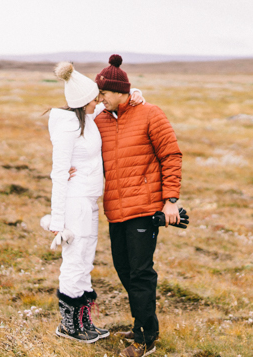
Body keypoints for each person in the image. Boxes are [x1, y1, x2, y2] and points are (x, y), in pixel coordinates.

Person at [45, 61, 143, 343]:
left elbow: (120, 98)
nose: (99, 100)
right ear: (82, 101)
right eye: (95, 97)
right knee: (74, 260)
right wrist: (58, 220)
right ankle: (69, 325)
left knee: (85, 259)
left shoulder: (88, 116)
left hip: (89, 201)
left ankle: (84, 321)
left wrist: (135, 92)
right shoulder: (68, 128)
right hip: (74, 203)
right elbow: (59, 174)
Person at [94, 54, 182, 357]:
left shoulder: (150, 114)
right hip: (115, 210)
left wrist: (171, 201)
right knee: (124, 269)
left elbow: (171, 156)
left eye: (103, 92)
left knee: (141, 272)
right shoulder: (101, 120)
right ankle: (145, 325)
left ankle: (145, 340)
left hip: (144, 208)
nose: (99, 97)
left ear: (119, 91)